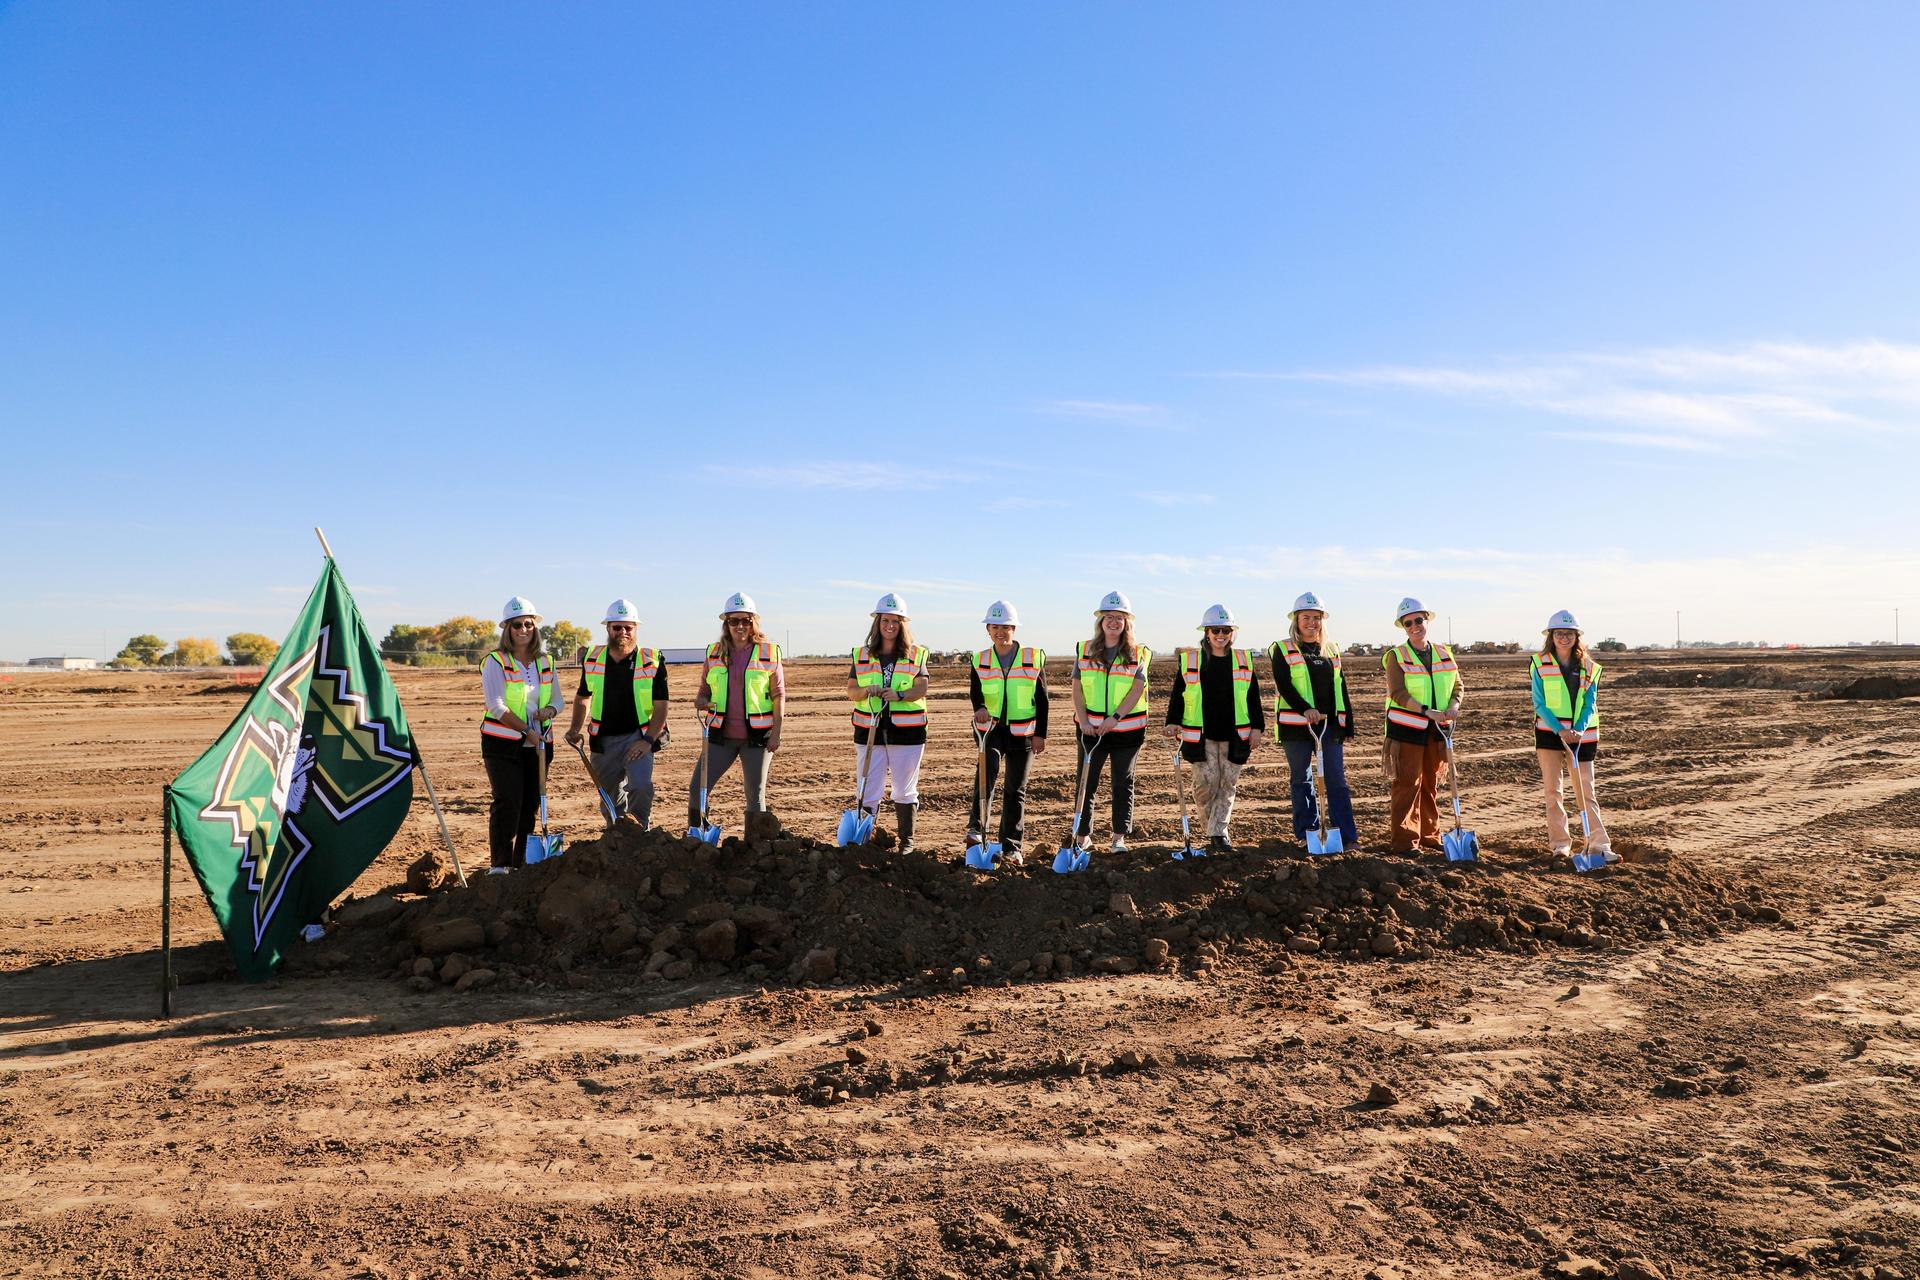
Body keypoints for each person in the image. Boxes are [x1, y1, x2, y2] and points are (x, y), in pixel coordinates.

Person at [1162, 604, 1264, 853]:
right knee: (1205, 786)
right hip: (1201, 734)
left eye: (1226, 630)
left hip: (1236, 733)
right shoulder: (1191, 661)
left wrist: (1258, 727)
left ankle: (1219, 834)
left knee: (1227, 785)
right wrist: (1172, 720)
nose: (1221, 635)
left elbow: (1253, 697)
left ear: (1232, 633)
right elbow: (1178, 694)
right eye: (1215, 630)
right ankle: (1214, 831)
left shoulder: (1243, 660)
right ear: (1206, 632)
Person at [565, 598, 668, 828]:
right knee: (609, 795)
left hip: (638, 738)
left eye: (628, 627)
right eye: (617, 627)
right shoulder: (592, 659)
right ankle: (617, 834)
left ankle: (641, 832)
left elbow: (661, 707)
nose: (623, 632)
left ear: (636, 628)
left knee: (641, 786)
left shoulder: (652, 660)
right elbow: (583, 697)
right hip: (604, 739)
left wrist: (648, 741)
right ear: (608, 628)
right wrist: (574, 728)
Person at [479, 596, 562, 869]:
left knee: (529, 807)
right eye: (517, 625)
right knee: (508, 803)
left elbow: (558, 700)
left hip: (539, 745)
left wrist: (548, 711)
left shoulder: (546, 662)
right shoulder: (496, 661)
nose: (524, 629)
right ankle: (500, 866)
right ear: (507, 629)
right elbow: (496, 705)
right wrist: (527, 730)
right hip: (502, 744)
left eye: (528, 623)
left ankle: (522, 864)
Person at [1270, 591, 1357, 849]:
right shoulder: (1282, 648)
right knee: (1302, 779)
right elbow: (1284, 685)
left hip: (1329, 725)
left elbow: (1340, 687)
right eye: (1306, 617)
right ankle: (1307, 832)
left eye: (1316, 618)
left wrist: (1346, 723)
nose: (1312, 622)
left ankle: (1346, 835)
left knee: (1336, 780)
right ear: (1296, 620)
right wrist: (1306, 709)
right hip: (1295, 726)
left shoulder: (1331, 649)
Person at [690, 592, 785, 827]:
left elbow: (778, 695)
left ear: (754, 623)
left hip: (757, 737)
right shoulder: (714, 653)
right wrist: (701, 700)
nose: (740, 626)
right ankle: (697, 837)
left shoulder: (768, 652)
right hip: (721, 736)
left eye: (745, 621)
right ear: (726, 624)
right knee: (697, 788)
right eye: (734, 621)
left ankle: (755, 847)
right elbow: (704, 691)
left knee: (755, 794)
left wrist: (776, 732)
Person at [967, 599, 1049, 865]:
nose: (999, 632)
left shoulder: (1032, 658)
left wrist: (1041, 734)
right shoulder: (980, 660)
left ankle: (1011, 846)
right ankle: (976, 832)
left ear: (1014, 629)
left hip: (1024, 733)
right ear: (988, 629)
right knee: (986, 777)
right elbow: (976, 691)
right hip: (990, 731)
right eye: (994, 627)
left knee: (1016, 789)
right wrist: (979, 707)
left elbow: (1043, 698)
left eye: (1005, 627)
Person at [1071, 590, 1154, 853]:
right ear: (1100, 621)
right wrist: (1084, 721)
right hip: (1090, 731)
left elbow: (1136, 689)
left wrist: (1115, 718)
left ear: (1127, 622)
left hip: (1127, 733)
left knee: (1122, 783)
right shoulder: (1085, 650)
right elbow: (1077, 688)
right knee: (1087, 783)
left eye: (1119, 618)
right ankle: (1083, 837)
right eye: (1109, 617)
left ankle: (1118, 838)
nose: (1113, 622)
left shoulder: (1138, 653)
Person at [847, 592, 930, 852]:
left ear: (903, 624)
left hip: (907, 733)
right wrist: (865, 691)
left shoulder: (916, 654)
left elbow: (922, 687)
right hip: (868, 731)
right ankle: (864, 839)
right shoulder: (861, 655)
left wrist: (900, 695)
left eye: (896, 621)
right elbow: (851, 690)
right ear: (877, 623)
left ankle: (907, 843)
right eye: (885, 621)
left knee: (904, 790)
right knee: (868, 789)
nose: (890, 626)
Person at [1380, 597, 1463, 854]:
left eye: (1419, 620)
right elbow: (1397, 693)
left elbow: (1458, 686)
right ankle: (1405, 841)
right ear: (1403, 627)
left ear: (1427, 620)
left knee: (1430, 784)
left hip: (1437, 731)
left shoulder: (1443, 652)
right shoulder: (1396, 656)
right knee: (1408, 784)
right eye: (1409, 623)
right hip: (1407, 730)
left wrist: (1454, 706)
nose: (1415, 626)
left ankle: (1430, 834)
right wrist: (1427, 711)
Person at [1532, 609, 1615, 861]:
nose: (1564, 638)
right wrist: (1560, 729)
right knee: (1553, 792)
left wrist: (1577, 728)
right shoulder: (1539, 663)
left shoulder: (1590, 668)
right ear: (1551, 636)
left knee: (1585, 791)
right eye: (1559, 633)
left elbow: (1591, 703)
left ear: (1577, 636)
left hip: (1583, 737)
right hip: (1549, 735)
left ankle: (1598, 844)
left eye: (1569, 633)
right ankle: (1560, 845)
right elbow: (1539, 702)